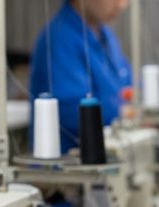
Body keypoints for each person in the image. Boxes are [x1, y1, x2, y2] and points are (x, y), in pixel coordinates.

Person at [30, 0, 131, 153]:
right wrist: (125, 112)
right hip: (69, 164)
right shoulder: (59, 40)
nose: (122, 4)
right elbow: (74, 113)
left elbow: (128, 88)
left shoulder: (107, 36)